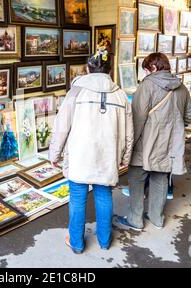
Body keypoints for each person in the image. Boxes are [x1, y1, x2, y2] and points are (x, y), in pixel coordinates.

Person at [49, 48, 134, 253]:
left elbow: (62, 126)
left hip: (80, 155)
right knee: (104, 195)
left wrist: (55, 153)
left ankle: (77, 243)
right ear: (109, 70)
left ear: (87, 69)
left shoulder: (76, 91)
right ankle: (104, 241)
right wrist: (126, 156)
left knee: (77, 198)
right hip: (107, 155)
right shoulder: (121, 95)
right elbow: (129, 130)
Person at [117, 53, 191, 230]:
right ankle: (156, 218)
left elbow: (137, 119)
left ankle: (135, 219)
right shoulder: (181, 87)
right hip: (168, 146)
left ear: (152, 68)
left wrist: (127, 147)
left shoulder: (147, 85)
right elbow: (190, 115)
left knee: (136, 180)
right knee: (160, 180)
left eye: (145, 69)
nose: (145, 74)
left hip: (145, 144)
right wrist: (173, 128)